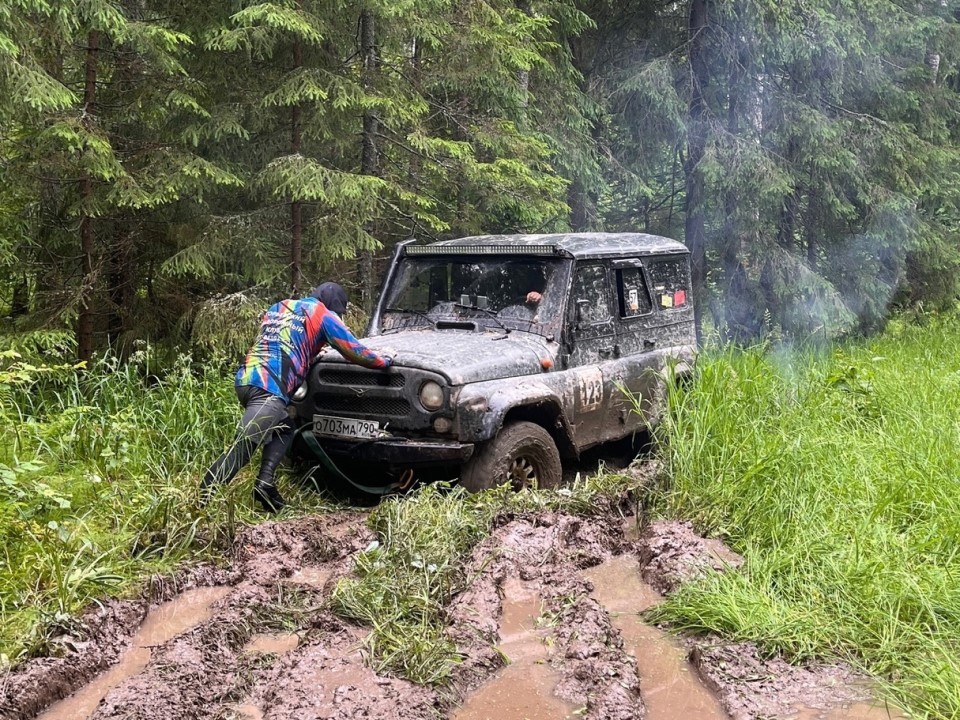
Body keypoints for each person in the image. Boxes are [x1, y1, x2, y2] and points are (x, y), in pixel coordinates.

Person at [200, 282, 392, 512]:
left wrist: (311, 351)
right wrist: (384, 361)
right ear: (334, 307)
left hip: (245, 380)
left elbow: (281, 344)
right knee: (241, 450)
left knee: (285, 428)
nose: (338, 316)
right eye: (339, 313)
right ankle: (200, 504)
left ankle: (265, 484)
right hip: (268, 390)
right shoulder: (322, 314)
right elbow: (354, 351)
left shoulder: (279, 307)